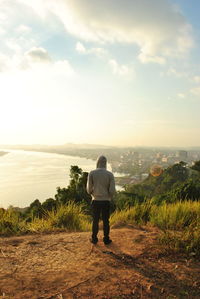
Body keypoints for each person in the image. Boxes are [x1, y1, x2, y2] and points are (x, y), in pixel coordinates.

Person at [87, 155, 116, 245]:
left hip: (95, 200)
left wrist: (93, 194)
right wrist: (108, 197)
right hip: (106, 201)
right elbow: (112, 190)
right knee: (106, 221)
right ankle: (106, 239)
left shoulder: (92, 173)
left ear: (97, 163)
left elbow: (88, 190)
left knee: (95, 220)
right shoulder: (110, 174)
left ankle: (94, 238)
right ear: (105, 163)